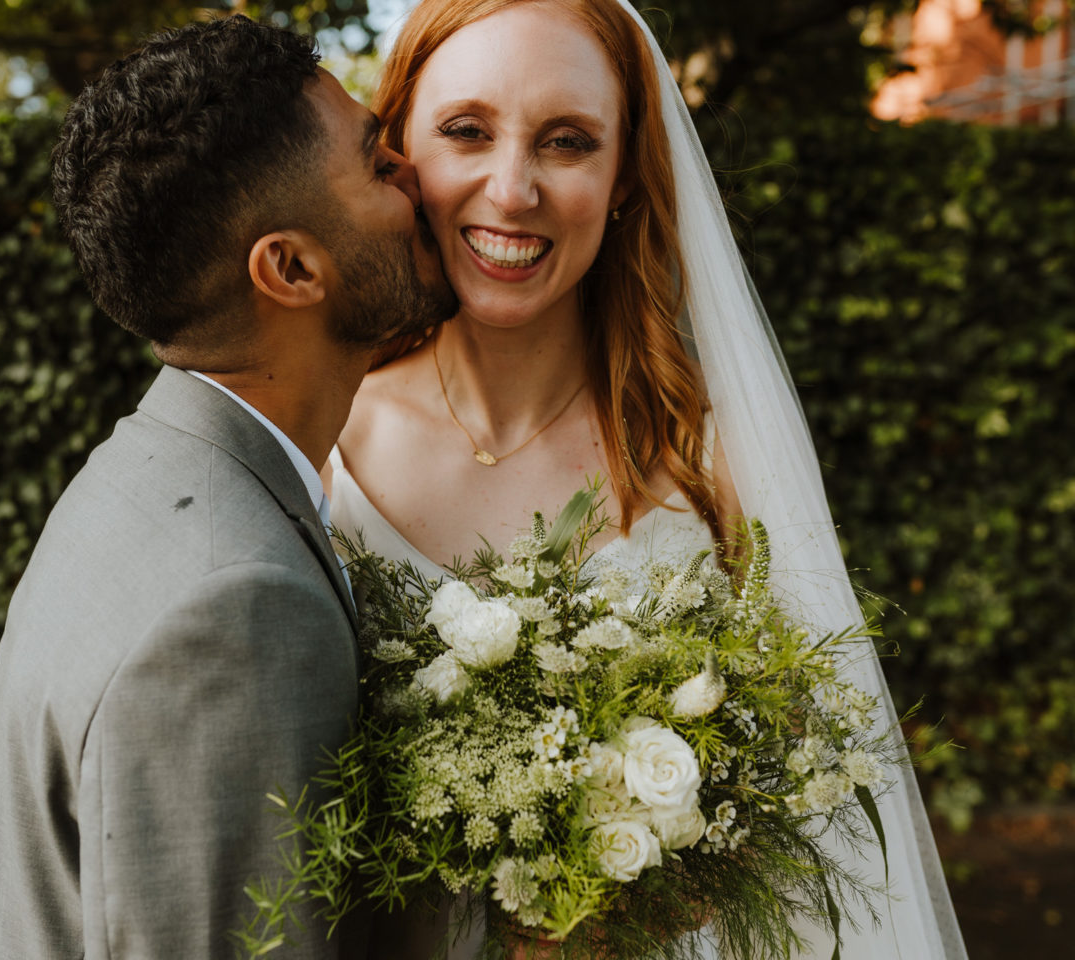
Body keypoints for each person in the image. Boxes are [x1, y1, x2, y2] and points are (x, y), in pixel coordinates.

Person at [327, 0, 968, 958]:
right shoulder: (321, 448)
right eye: (466, 131)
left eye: (567, 142)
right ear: (399, 149)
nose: (512, 189)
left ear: (624, 176)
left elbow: (807, 831)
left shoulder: (712, 463)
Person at [0, 16, 455, 960]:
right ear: (293, 268)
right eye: (378, 164)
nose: (415, 175)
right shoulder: (234, 606)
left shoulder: (140, 480)